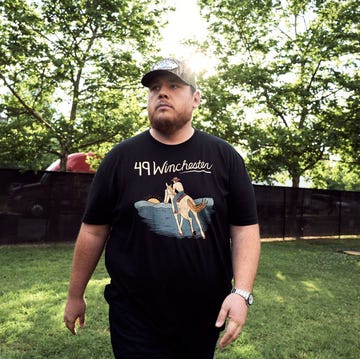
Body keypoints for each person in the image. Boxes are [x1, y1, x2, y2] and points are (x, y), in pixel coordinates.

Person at [64, 57, 261, 359]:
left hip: (203, 314)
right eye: (155, 88)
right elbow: (93, 230)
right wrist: (75, 294)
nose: (162, 93)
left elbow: (245, 229)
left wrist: (242, 292)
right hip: (134, 314)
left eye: (174, 86)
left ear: (195, 98)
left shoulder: (225, 157)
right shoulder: (119, 159)